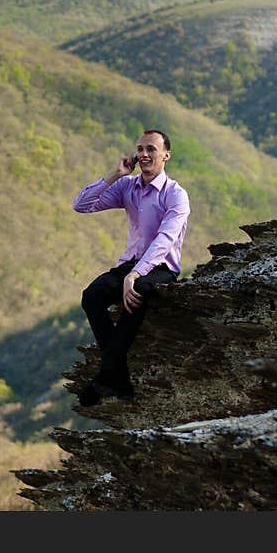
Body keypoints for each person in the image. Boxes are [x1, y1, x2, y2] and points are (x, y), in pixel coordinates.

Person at [72, 129, 190, 405]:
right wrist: (116, 174)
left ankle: (105, 380)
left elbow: (165, 239)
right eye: (140, 149)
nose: (144, 154)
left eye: (151, 149)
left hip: (161, 268)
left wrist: (136, 274)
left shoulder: (176, 195)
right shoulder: (128, 187)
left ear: (166, 155)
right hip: (130, 264)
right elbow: (81, 205)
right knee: (92, 296)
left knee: (136, 298)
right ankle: (119, 380)